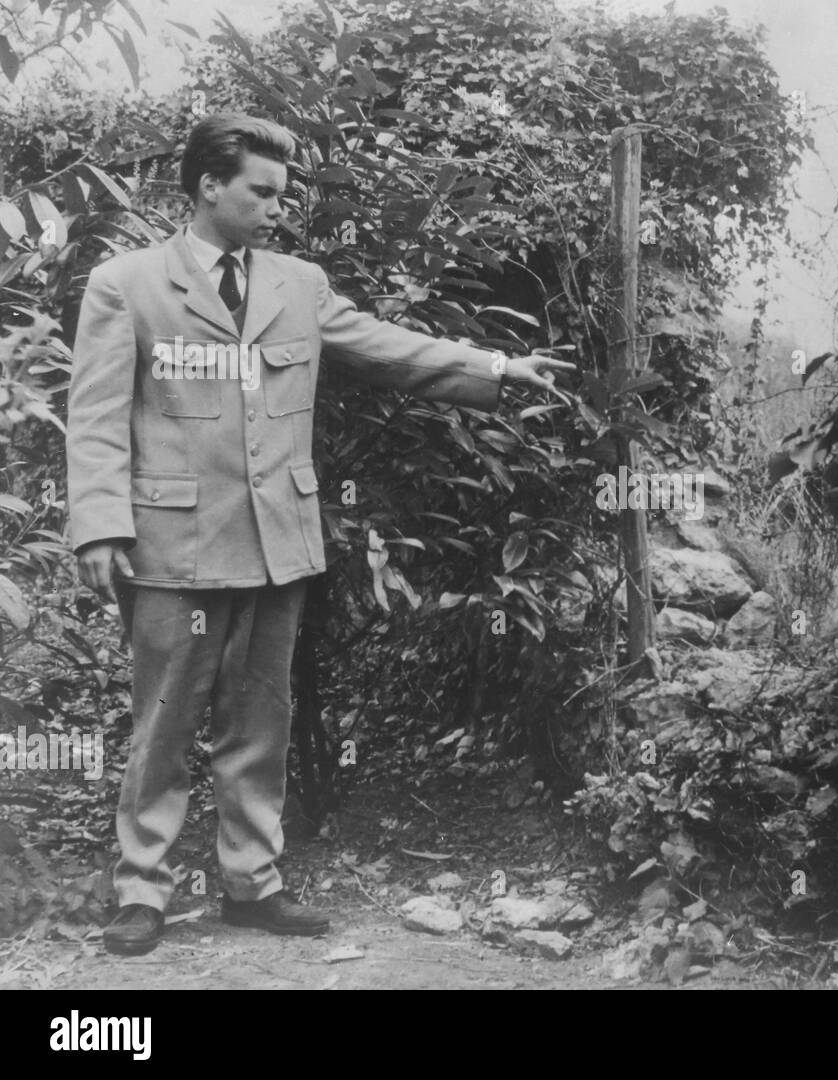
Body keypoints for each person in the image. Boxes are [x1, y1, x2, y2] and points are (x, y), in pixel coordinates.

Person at [66, 112, 574, 956]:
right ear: (208, 188)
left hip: (274, 540)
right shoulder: (128, 284)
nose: (276, 208)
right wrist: (98, 529)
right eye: (260, 192)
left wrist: (494, 367)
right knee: (163, 723)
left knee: (261, 720)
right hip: (171, 548)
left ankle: (251, 884)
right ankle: (143, 890)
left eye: (281, 194)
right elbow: (94, 419)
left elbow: (383, 346)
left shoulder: (297, 285)